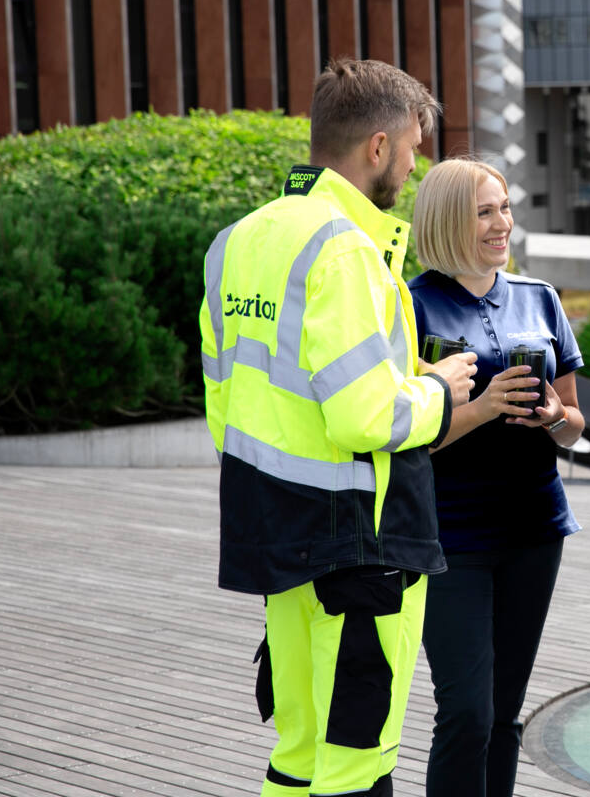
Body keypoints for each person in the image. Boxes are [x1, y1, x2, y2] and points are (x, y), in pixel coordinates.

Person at [202, 58, 478, 797]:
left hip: (277, 537)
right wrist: (439, 390)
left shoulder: (238, 241)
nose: (416, 168)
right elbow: (368, 416)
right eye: (415, 150)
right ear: (378, 148)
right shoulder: (348, 250)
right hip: (361, 549)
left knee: (298, 751)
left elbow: (223, 405)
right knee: (358, 759)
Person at [406, 157, 587, 797]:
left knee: (504, 712)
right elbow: (405, 439)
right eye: (485, 211)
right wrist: (484, 408)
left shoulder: (540, 299)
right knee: (466, 711)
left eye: (505, 208)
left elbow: (575, 426)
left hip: (535, 527)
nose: (502, 223)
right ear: (450, 219)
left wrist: (553, 415)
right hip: (449, 535)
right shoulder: (410, 305)